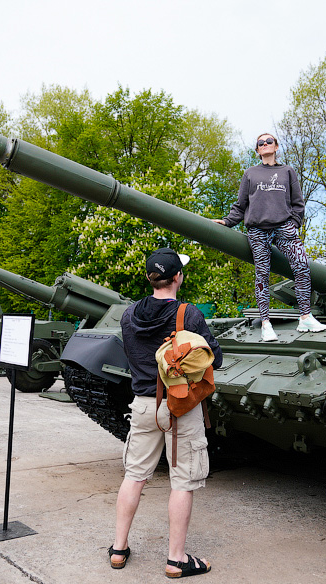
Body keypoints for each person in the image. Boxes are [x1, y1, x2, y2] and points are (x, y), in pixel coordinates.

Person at [110, 248, 222, 578]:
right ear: (177, 278)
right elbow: (214, 357)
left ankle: (118, 549)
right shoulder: (188, 315)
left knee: (134, 476)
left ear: (150, 278)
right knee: (183, 481)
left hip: (143, 405)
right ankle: (176, 559)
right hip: (180, 406)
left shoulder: (128, 315)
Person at [212, 133, 326, 342]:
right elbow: (241, 204)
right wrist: (228, 221)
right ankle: (266, 324)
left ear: (276, 147)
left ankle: (305, 316)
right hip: (257, 230)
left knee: (301, 266)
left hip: (284, 227)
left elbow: (298, 203)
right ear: (257, 150)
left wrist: (293, 223)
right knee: (262, 274)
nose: (265, 145)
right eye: (260, 143)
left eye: (269, 142)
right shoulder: (250, 173)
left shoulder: (287, 171)